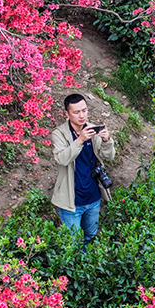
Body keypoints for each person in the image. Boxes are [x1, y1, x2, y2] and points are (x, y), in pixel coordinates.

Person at [51, 94, 115, 244]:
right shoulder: (59, 134)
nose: (82, 115)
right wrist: (80, 140)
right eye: (76, 112)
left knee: (90, 237)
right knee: (72, 243)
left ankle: (88, 259)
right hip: (71, 200)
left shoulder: (91, 129)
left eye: (84, 110)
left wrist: (106, 140)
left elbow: (109, 156)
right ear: (67, 114)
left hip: (93, 196)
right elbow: (62, 159)